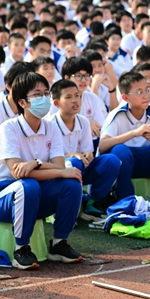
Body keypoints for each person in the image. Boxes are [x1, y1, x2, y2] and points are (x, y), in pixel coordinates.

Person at [0, 72, 84, 270]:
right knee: (27, 185)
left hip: (37, 195)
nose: (44, 99)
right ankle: (21, 248)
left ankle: (59, 244)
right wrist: (41, 166)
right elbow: (18, 173)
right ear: (22, 102)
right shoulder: (8, 128)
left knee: (72, 181)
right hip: (2, 198)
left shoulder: (51, 127)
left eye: (46, 93)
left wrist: (35, 163)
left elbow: (58, 165)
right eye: (37, 95)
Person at [46, 79, 119, 219]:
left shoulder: (84, 121)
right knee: (74, 162)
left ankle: (92, 202)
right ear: (56, 103)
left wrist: (88, 154)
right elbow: (47, 159)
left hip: (81, 167)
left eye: (77, 95)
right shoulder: (49, 124)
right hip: (58, 173)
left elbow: (87, 150)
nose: (75, 100)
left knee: (112, 161)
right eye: (68, 97)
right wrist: (72, 155)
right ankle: (70, 206)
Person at [99, 72, 150, 200]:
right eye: (139, 92)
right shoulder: (116, 115)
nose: (146, 96)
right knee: (119, 150)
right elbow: (102, 146)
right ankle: (125, 199)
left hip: (149, 161)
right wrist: (134, 133)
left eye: (147, 90)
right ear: (125, 97)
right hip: (125, 163)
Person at [0, 62, 32, 132]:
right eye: (20, 85)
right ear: (8, 86)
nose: (25, 90)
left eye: (29, 85)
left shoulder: (33, 107)